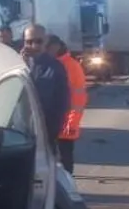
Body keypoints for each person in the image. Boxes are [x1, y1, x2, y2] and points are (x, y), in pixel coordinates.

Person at [21, 24, 70, 153]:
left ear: (46, 42)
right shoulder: (18, 65)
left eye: (38, 41)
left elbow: (61, 104)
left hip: (44, 137)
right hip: (20, 136)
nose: (34, 46)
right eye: (29, 42)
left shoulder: (55, 68)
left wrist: (49, 135)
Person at [48, 35, 87, 174]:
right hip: (59, 121)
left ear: (57, 46)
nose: (46, 50)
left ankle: (68, 188)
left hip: (66, 123)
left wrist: (70, 124)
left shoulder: (68, 66)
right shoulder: (57, 63)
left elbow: (74, 99)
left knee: (65, 160)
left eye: (48, 46)